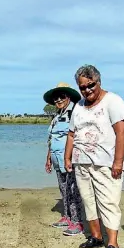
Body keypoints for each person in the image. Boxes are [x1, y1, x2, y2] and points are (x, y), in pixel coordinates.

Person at [64, 65, 124, 248]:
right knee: (88, 200)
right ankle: (96, 236)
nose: (87, 90)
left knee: (108, 202)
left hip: (106, 163)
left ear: (98, 81)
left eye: (90, 85)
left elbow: (123, 131)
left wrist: (118, 162)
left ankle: (113, 244)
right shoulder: (78, 106)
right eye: (82, 87)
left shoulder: (113, 101)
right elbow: (71, 133)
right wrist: (68, 158)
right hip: (81, 161)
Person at [43, 82, 86, 236]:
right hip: (56, 159)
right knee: (63, 189)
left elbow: (76, 137)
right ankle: (67, 217)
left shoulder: (75, 112)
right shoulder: (56, 116)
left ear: (68, 97)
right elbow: (52, 139)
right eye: (56, 98)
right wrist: (48, 158)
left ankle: (77, 222)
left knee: (73, 190)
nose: (58, 100)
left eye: (62, 97)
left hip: (69, 159)